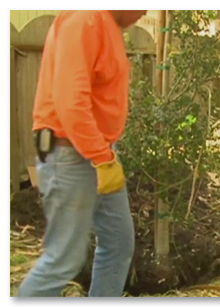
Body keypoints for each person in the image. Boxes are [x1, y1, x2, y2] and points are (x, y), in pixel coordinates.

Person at [17, 10, 147, 297]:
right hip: (72, 155)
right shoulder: (85, 18)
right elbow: (70, 101)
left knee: (118, 242)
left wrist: (104, 156)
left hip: (98, 154)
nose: (146, 10)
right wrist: (101, 156)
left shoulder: (106, 24)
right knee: (63, 260)